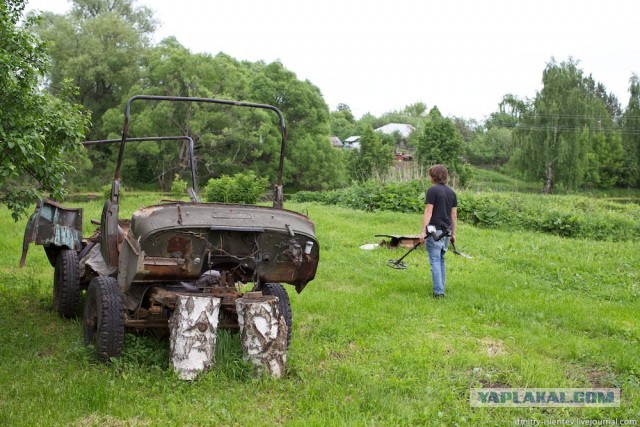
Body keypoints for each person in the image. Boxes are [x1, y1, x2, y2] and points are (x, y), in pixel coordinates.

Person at [418, 164, 458, 299]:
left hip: (434, 231)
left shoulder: (432, 191)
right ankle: (440, 287)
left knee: (435, 260)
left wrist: (423, 232)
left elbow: (428, 211)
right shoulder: (452, 193)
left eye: (429, 174)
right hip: (447, 231)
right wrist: (453, 234)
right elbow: (454, 216)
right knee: (441, 259)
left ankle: (439, 292)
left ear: (433, 176)